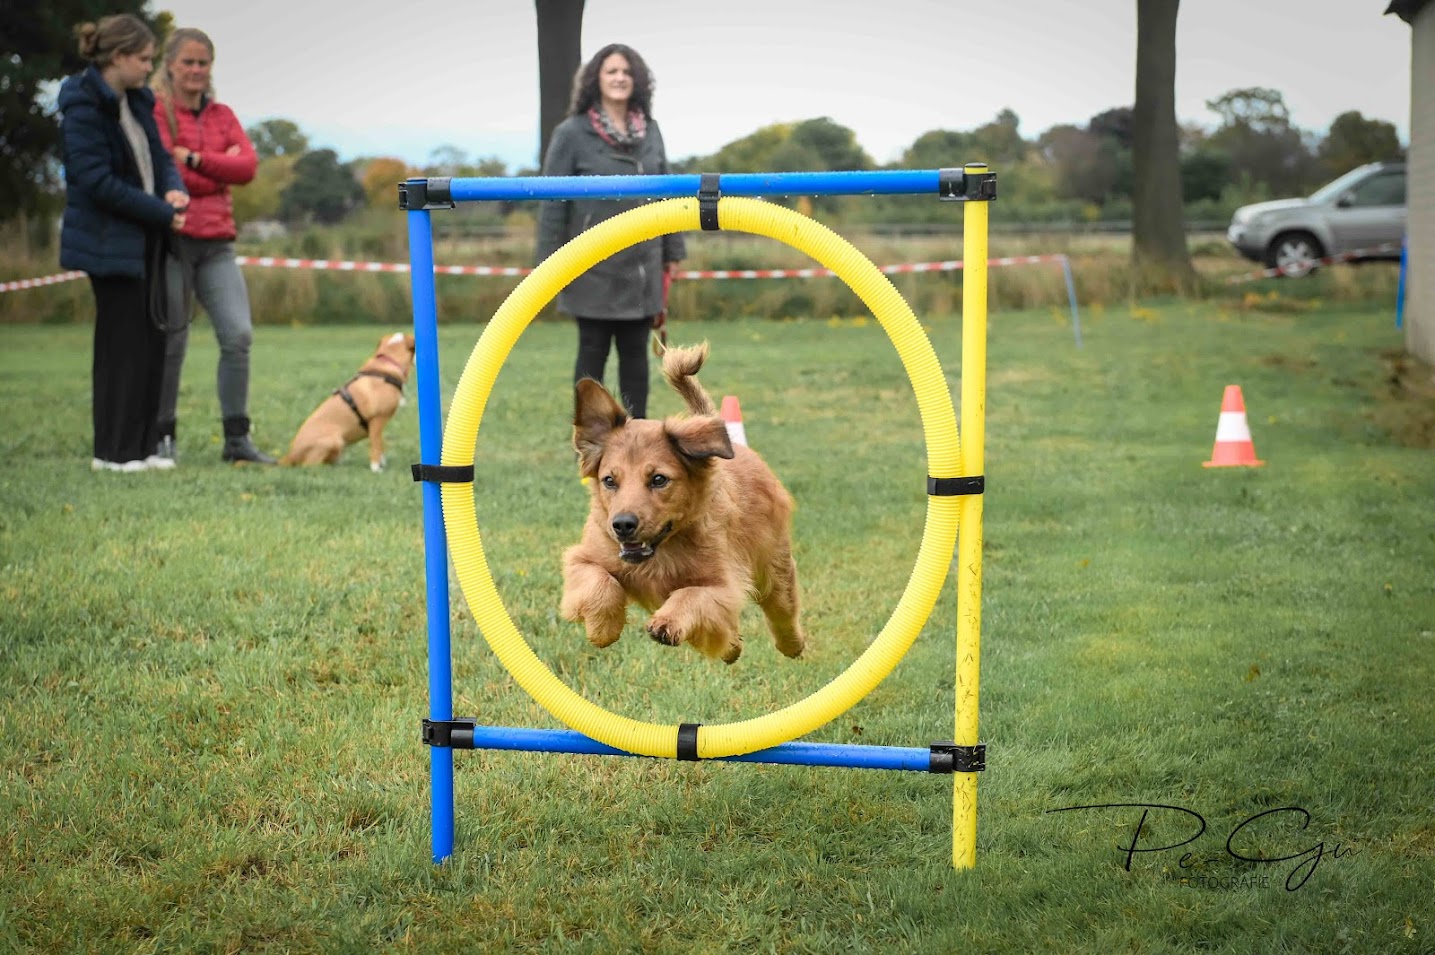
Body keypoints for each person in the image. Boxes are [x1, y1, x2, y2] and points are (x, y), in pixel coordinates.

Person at [59, 14, 189, 472]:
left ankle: (145, 447)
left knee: (152, 341)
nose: (149, 68)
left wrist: (173, 189)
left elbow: (160, 159)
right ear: (117, 57)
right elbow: (96, 182)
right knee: (121, 347)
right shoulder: (81, 104)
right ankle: (112, 453)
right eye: (144, 59)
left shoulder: (137, 100)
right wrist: (161, 212)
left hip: (147, 238)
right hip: (106, 243)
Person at [536, 43, 685, 419]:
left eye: (626, 72)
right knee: (592, 354)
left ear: (637, 81)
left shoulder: (651, 131)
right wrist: (548, 265)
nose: (620, 78)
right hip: (592, 266)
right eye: (611, 71)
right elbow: (552, 203)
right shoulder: (571, 133)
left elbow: (669, 192)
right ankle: (589, 436)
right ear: (596, 80)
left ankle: (639, 439)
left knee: (637, 358)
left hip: (642, 266)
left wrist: (673, 252)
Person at [151, 27, 273, 464]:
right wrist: (211, 171)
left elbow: (248, 168)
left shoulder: (222, 114)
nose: (197, 70)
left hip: (217, 242)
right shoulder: (156, 111)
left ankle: (236, 440)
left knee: (238, 335)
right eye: (189, 62)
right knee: (172, 340)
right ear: (169, 64)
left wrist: (198, 159)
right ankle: (161, 436)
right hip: (172, 240)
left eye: (204, 63)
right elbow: (169, 172)